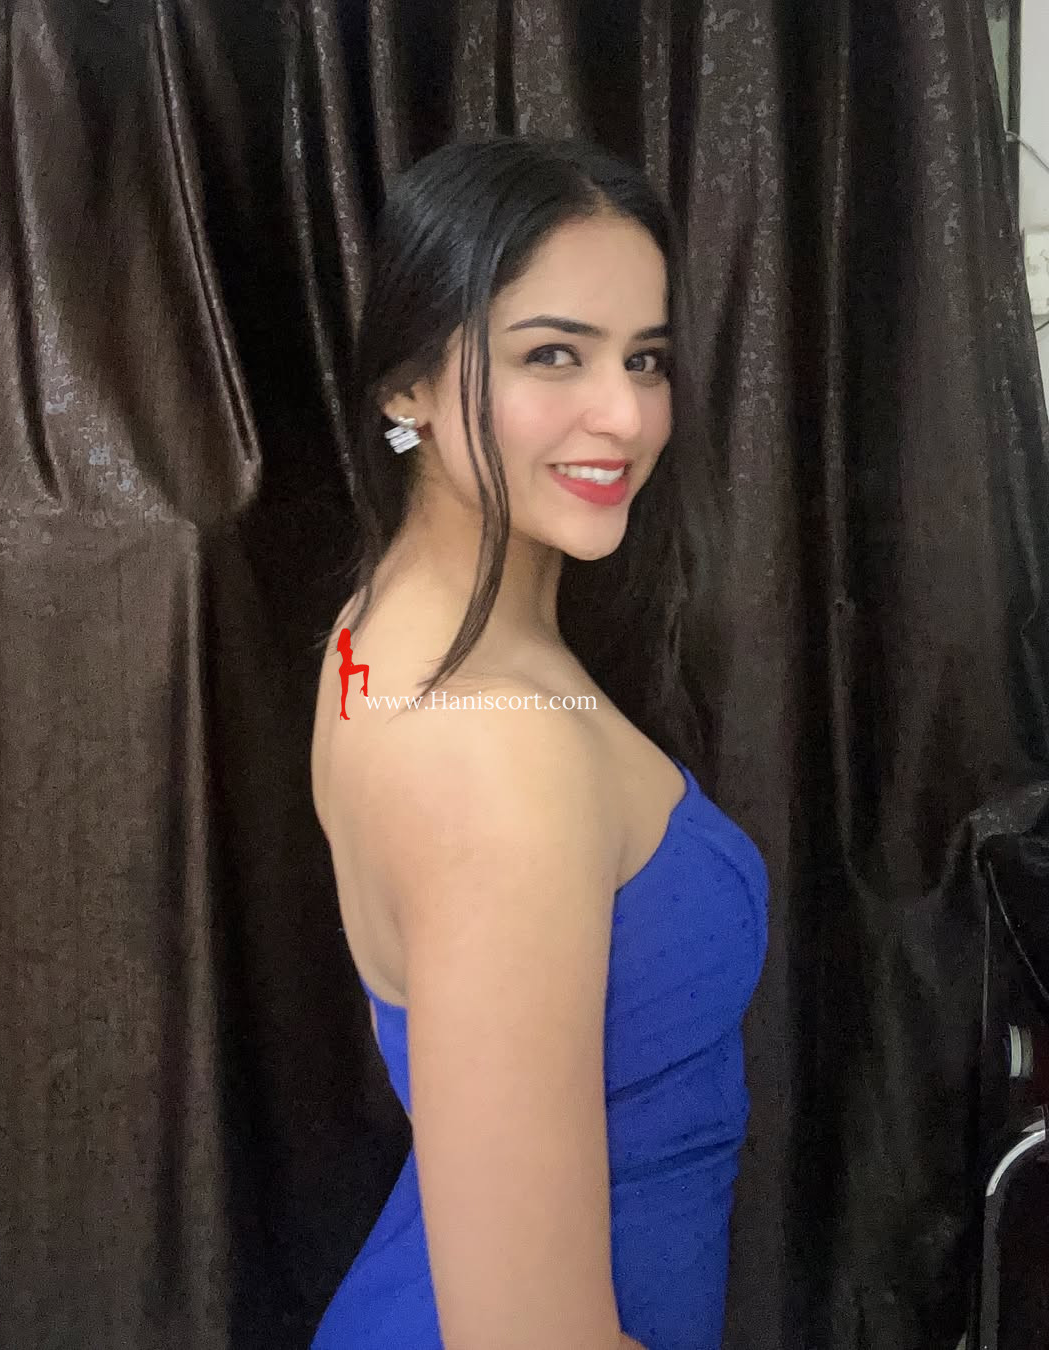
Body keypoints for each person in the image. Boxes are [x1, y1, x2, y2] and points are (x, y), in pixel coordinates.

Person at [308, 133, 769, 1350]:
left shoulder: (379, 630)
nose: (626, 414)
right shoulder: (494, 757)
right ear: (406, 388)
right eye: (553, 353)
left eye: (646, 358)